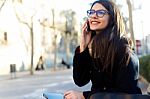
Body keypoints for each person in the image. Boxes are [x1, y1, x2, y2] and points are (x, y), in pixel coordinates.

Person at [64, 0, 142, 99]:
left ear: (112, 18)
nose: (94, 16)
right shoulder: (92, 47)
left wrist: (84, 96)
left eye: (100, 13)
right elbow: (80, 81)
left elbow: (125, 94)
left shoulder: (124, 51)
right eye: (91, 12)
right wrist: (83, 46)